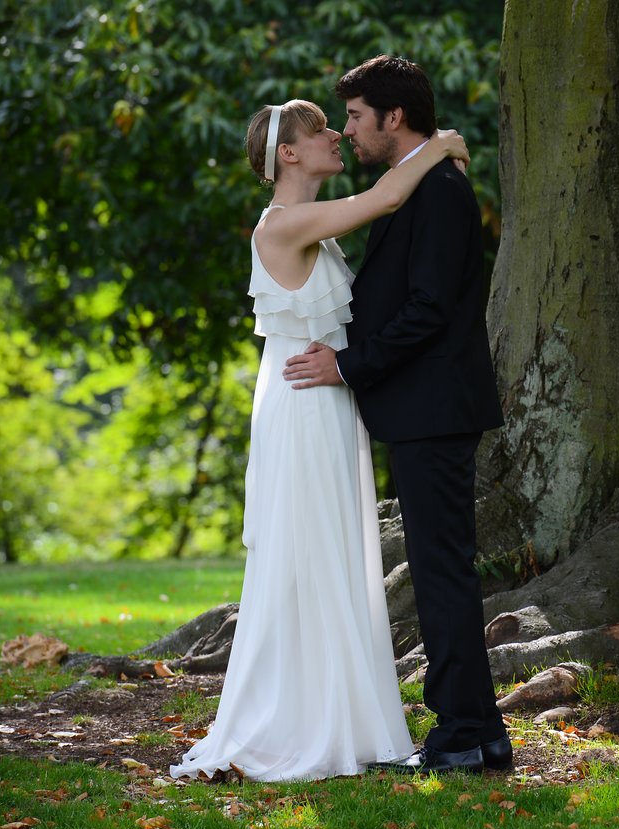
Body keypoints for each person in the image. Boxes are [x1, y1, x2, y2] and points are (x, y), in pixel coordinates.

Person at [170, 99, 470, 782]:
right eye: (320, 131)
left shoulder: (314, 229)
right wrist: (443, 141)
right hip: (304, 410)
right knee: (309, 555)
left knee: (333, 554)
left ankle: (340, 712)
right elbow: (389, 195)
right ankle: (304, 721)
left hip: (325, 403)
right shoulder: (287, 223)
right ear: (290, 156)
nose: (337, 134)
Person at [282, 56, 510, 775]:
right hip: (421, 409)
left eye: (353, 116)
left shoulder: (438, 190)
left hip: (434, 408)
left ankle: (459, 734)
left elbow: (428, 311)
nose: (347, 130)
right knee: (444, 570)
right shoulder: (414, 186)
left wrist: (348, 365)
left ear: (394, 117)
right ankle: (481, 732)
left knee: (442, 573)